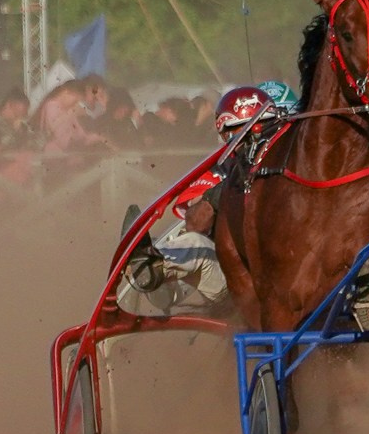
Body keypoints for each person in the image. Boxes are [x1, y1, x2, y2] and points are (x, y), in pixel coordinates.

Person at [115, 86, 275, 319]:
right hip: (236, 281)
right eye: (238, 129)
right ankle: (156, 273)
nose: (251, 137)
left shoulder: (291, 168)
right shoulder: (219, 171)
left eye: (260, 127)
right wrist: (219, 196)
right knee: (192, 242)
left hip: (286, 276)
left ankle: (158, 273)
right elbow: (195, 221)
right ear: (224, 133)